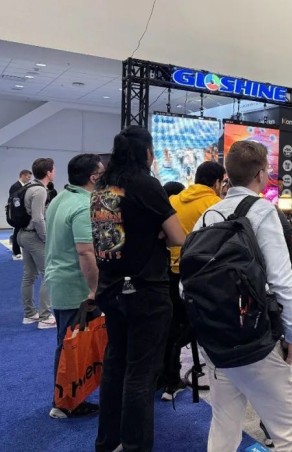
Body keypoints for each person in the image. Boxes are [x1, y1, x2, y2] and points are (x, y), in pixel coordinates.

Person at [193, 140, 292, 451]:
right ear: (260, 174)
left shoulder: (208, 214)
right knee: (290, 431)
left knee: (224, 424)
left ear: (227, 174)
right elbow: (282, 282)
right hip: (257, 339)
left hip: (215, 340)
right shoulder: (263, 211)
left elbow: (188, 282)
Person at [91, 126, 185, 452]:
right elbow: (178, 236)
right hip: (145, 289)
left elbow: (109, 237)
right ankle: (135, 446)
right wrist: (156, 233)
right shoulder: (146, 184)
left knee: (115, 364)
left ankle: (108, 442)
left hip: (111, 286)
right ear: (147, 152)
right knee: (141, 373)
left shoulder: (103, 186)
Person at [160, 161, 225, 401]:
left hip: (169, 271)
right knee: (203, 327)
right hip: (200, 276)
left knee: (170, 327)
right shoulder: (215, 205)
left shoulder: (174, 200)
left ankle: (168, 379)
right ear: (216, 182)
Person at [45, 154, 103, 419]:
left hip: (59, 279)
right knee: (71, 345)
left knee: (67, 343)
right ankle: (65, 402)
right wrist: (95, 289)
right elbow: (85, 252)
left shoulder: (60, 198)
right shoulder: (83, 205)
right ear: (94, 177)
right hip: (75, 285)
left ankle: (68, 398)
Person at [19, 158, 56, 328]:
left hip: (23, 234)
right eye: (53, 170)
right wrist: (46, 238)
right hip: (34, 236)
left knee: (29, 275)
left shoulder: (28, 186)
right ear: (48, 173)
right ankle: (45, 317)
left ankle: (29, 314)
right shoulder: (40, 190)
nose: (54, 172)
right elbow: (38, 218)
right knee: (48, 274)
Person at [9, 169, 32, 259]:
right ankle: (16, 251)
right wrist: (19, 214)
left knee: (22, 232)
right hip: (17, 214)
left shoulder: (25, 186)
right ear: (22, 175)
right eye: (28, 177)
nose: (29, 179)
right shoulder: (15, 186)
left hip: (23, 213)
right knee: (17, 232)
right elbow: (15, 202)